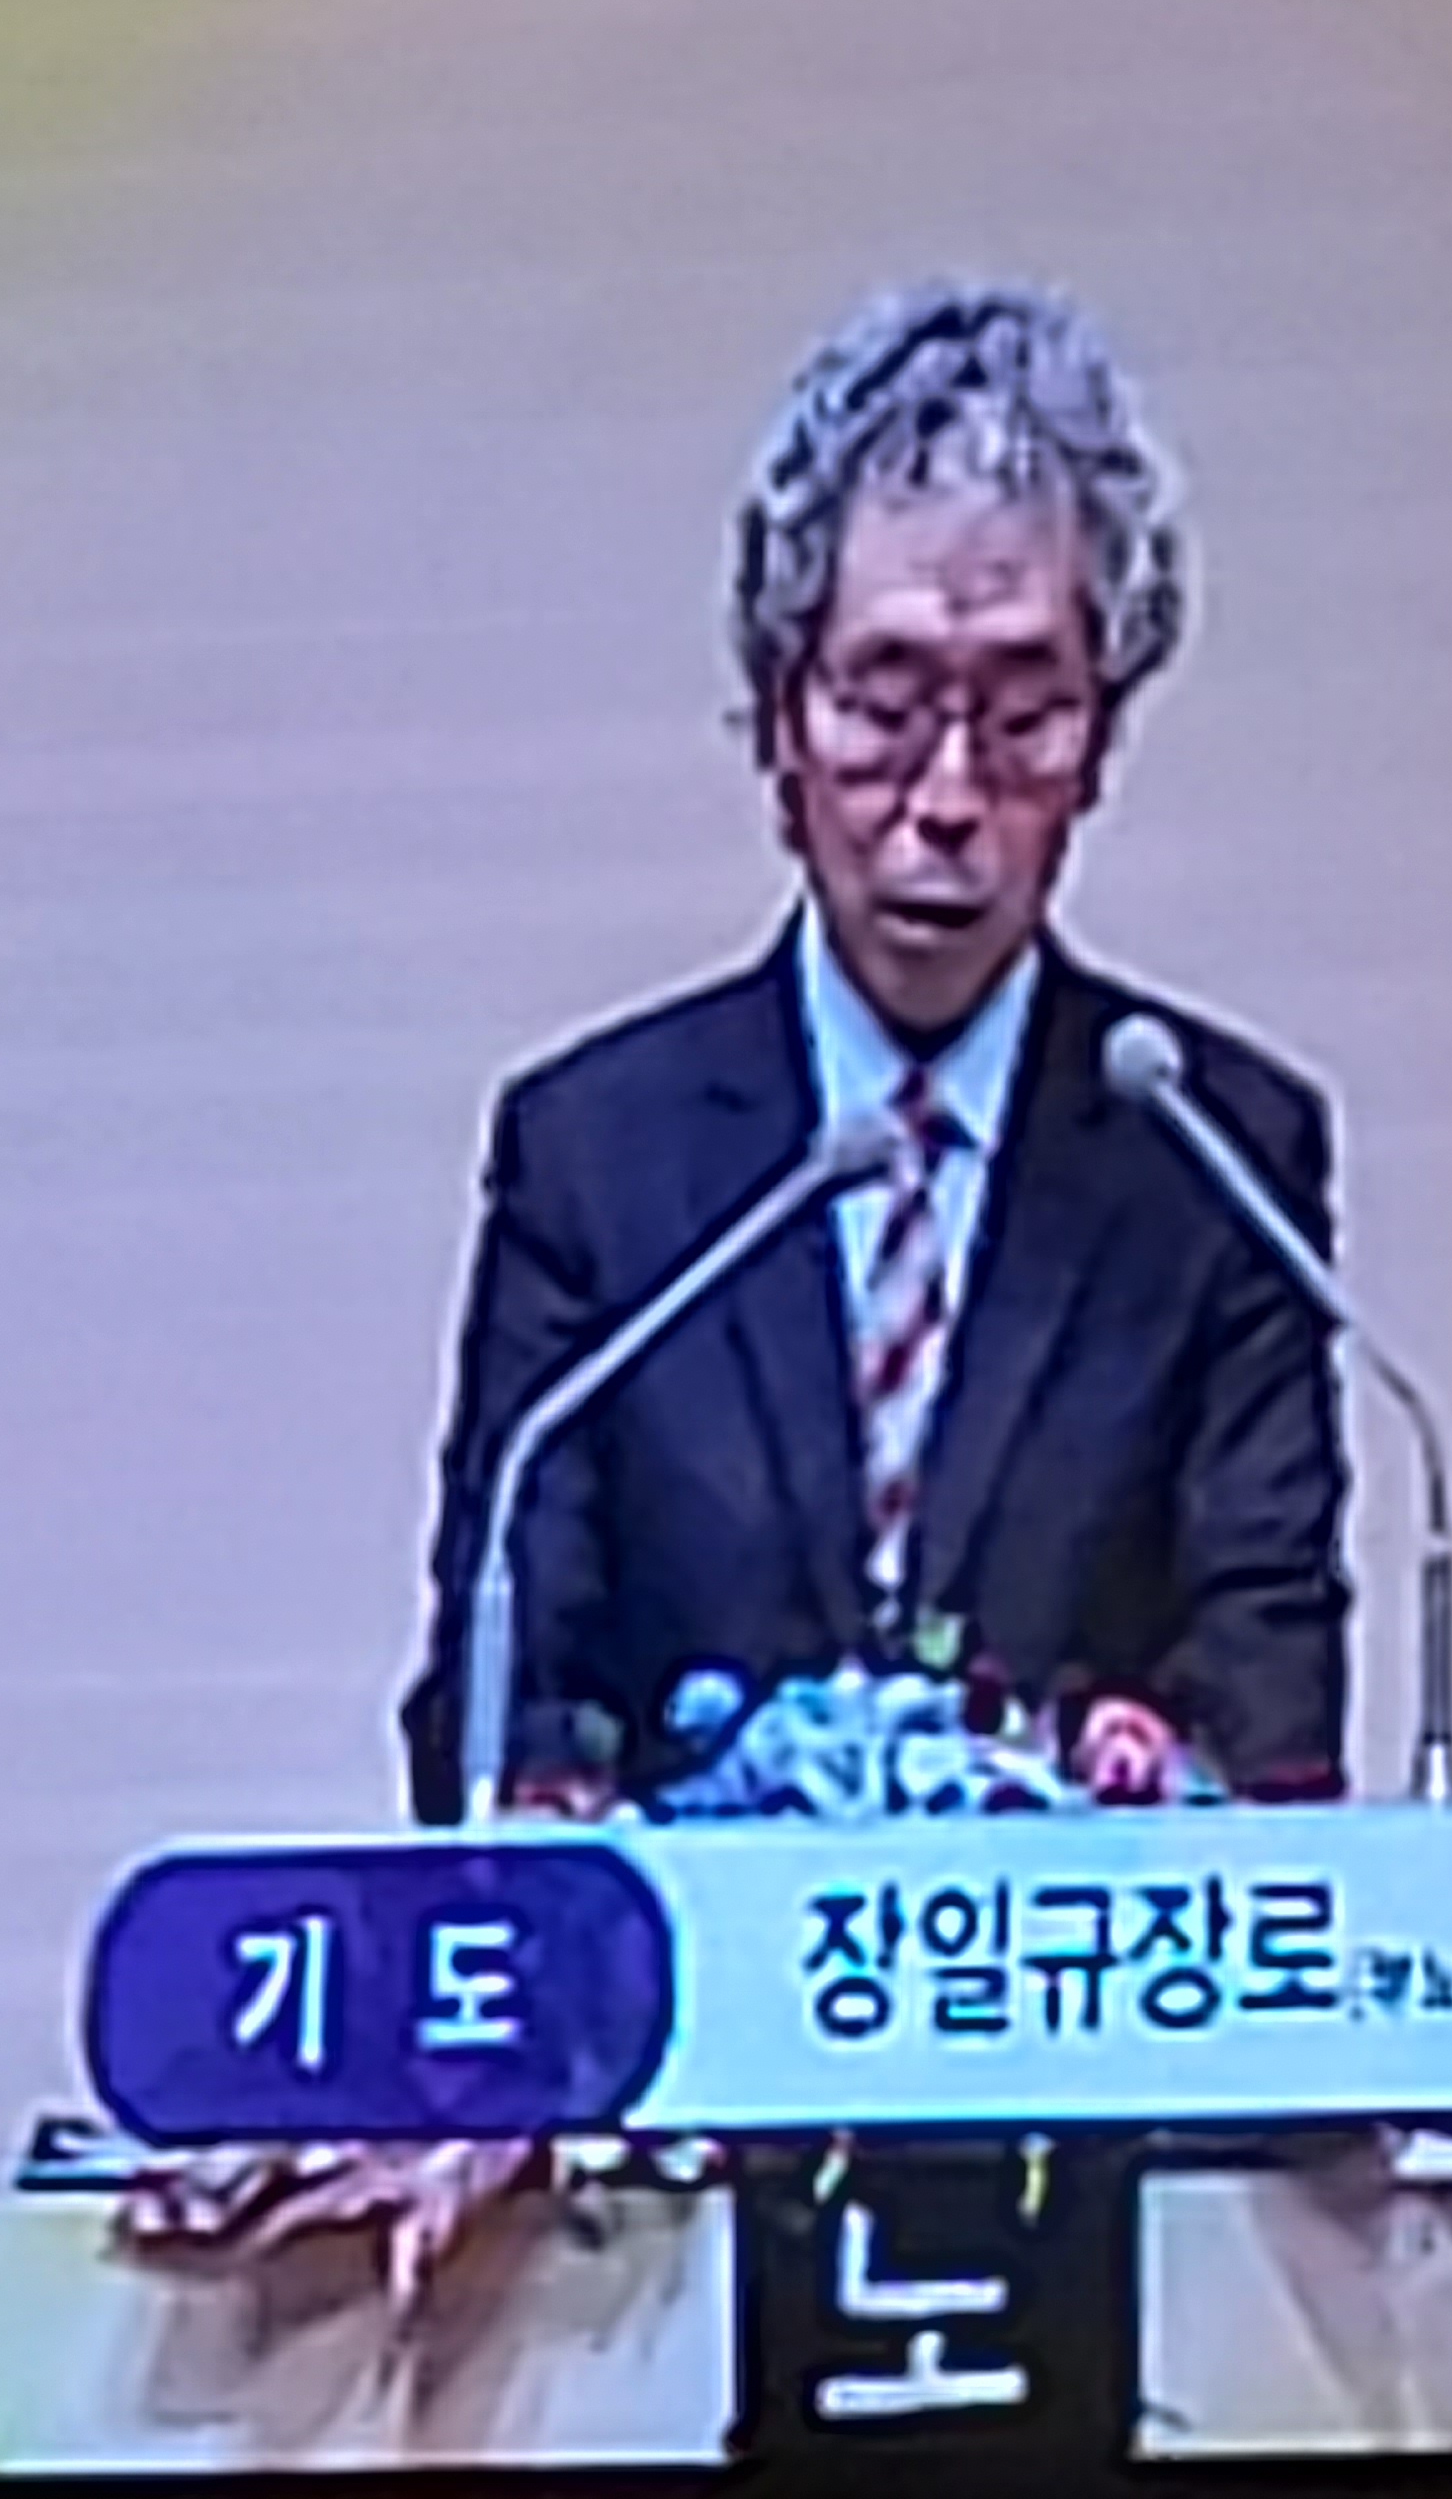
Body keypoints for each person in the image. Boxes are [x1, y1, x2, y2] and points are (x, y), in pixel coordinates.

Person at [401, 279, 1354, 1827]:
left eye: (1026, 713)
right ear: (782, 719)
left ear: (1102, 741)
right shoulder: (597, 1156)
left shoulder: (1214, 1156)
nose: (951, 795)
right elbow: (501, 1682)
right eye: (888, 705)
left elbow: (1272, 1710)